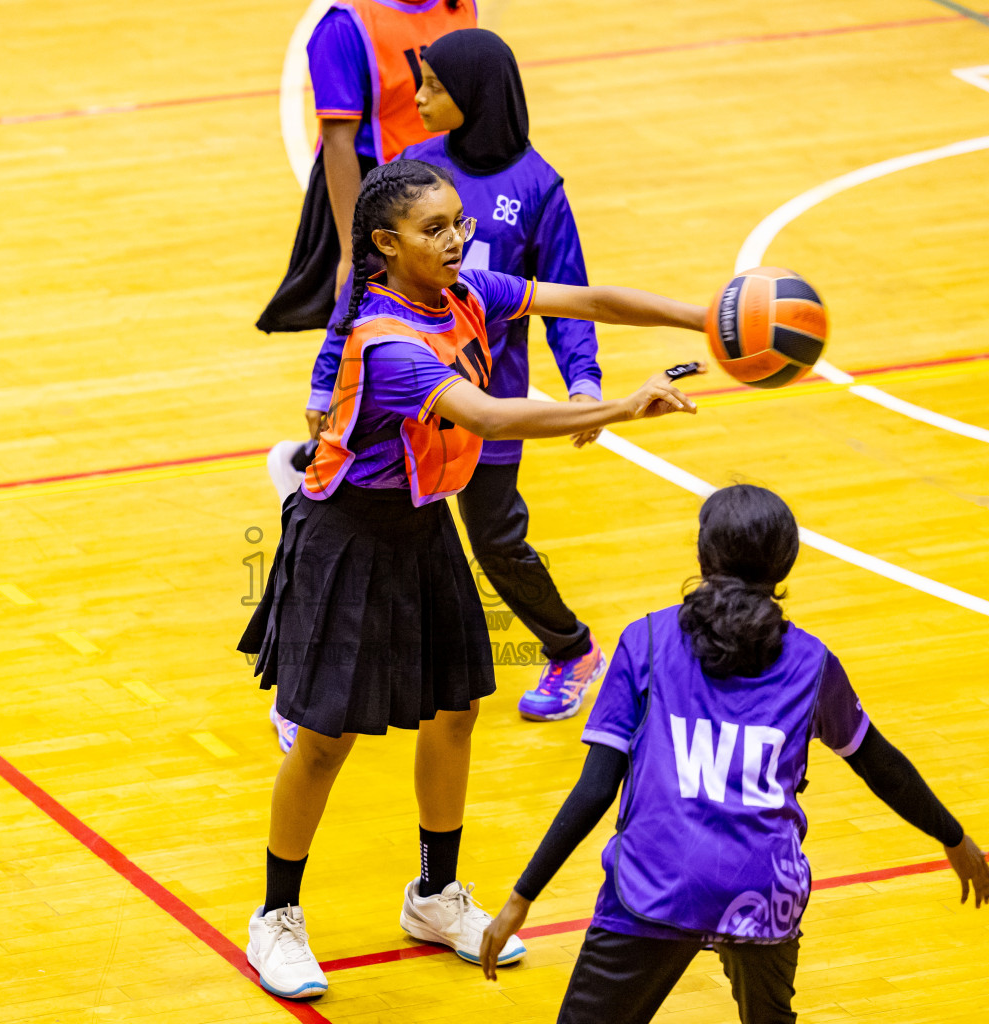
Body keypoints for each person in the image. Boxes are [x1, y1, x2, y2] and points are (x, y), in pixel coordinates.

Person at [239, 158, 710, 1000]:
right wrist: (617, 408)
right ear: (387, 246)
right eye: (435, 230)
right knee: (325, 740)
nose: (457, 239)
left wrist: (700, 317)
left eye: (458, 222)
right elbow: (490, 417)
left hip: (421, 527)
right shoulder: (387, 346)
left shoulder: (467, 290)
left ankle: (433, 895)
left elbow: (586, 299)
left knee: (457, 710)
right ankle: (275, 917)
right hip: (345, 540)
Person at [476, 484, 989, 1023]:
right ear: (785, 565)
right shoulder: (813, 663)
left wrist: (522, 896)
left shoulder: (646, 641)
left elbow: (596, 788)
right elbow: (877, 761)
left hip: (657, 883)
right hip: (762, 886)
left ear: (702, 557)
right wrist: (952, 836)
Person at [266, 29, 611, 754]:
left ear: (477, 96)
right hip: (398, 397)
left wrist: (584, 383)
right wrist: (329, 372)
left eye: (431, 86)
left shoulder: (539, 187)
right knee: (366, 547)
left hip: (485, 404)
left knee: (496, 541)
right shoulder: (408, 172)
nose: (416, 98)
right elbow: (363, 286)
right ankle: (312, 692)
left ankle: (571, 648)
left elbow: (568, 294)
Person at [256, 0, 476, 334]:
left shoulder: (460, 6)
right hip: (380, 202)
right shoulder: (345, 26)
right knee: (374, 330)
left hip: (447, 192)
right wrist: (351, 250)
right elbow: (337, 140)